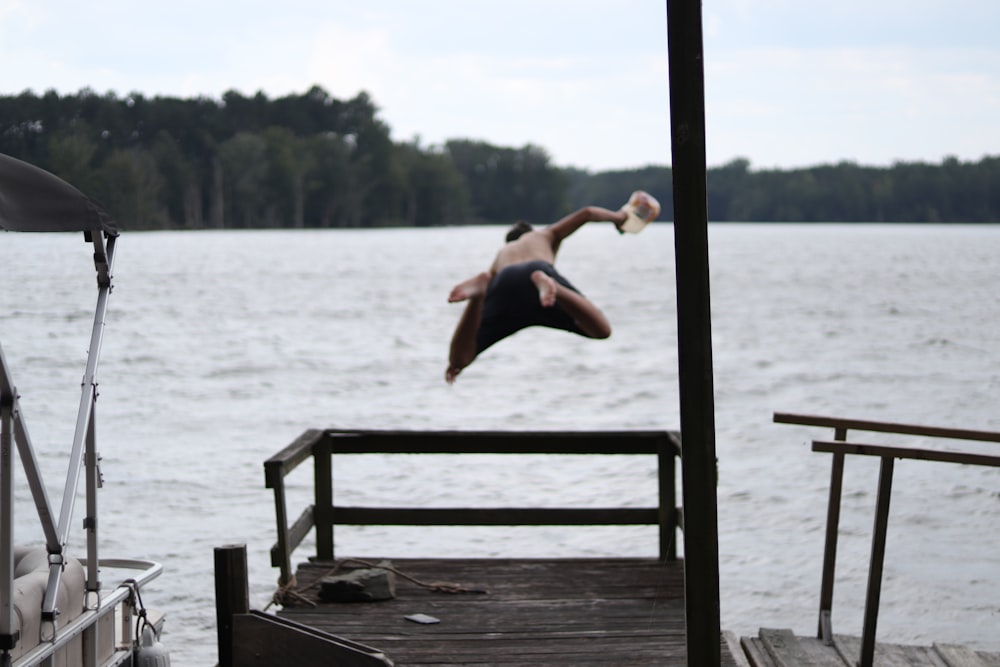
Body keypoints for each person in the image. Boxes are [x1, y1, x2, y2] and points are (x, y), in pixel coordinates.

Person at [445, 205, 629, 384]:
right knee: (601, 330)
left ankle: (476, 297)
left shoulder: (503, 253)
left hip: (505, 279)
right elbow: (587, 213)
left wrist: (458, 360)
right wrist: (618, 218)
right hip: (539, 274)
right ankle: (556, 288)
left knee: (460, 359)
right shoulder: (544, 235)